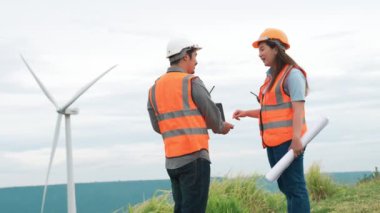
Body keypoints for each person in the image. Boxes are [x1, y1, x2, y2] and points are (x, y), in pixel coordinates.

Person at [148, 38, 234, 213]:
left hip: (172, 161)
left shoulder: (154, 88)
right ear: (185, 57)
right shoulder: (191, 81)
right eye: (194, 56)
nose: (196, 61)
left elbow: (158, 126)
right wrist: (220, 126)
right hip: (194, 157)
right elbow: (211, 113)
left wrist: (182, 126)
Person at [232, 28, 310, 212]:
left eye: (263, 49)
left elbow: (298, 108)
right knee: (287, 188)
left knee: (295, 188)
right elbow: (270, 112)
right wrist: (245, 112)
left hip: (289, 142)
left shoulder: (292, 74)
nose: (260, 54)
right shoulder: (270, 78)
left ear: (276, 49)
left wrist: (297, 138)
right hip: (274, 143)